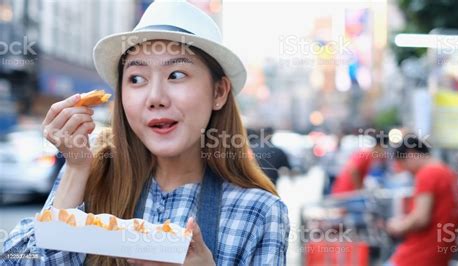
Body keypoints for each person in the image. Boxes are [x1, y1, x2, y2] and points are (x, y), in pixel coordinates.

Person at [1, 1, 289, 265]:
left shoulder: (260, 212)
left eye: (176, 75)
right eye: (136, 78)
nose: (155, 97)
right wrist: (76, 169)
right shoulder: (92, 180)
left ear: (219, 91)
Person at [386, 135, 458, 266]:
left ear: (411, 154)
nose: (406, 170)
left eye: (402, 163)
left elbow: (421, 218)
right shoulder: (448, 172)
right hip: (439, 255)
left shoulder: (427, 174)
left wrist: (397, 227)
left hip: (418, 255)